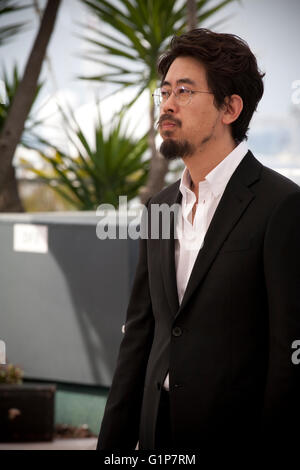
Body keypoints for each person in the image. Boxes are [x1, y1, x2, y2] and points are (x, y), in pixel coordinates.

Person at [97, 28, 300, 451]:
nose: (167, 104)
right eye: (165, 91)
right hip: (158, 434)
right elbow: (140, 335)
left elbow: (289, 356)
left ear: (230, 108)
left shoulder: (282, 206)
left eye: (185, 91)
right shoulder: (159, 207)